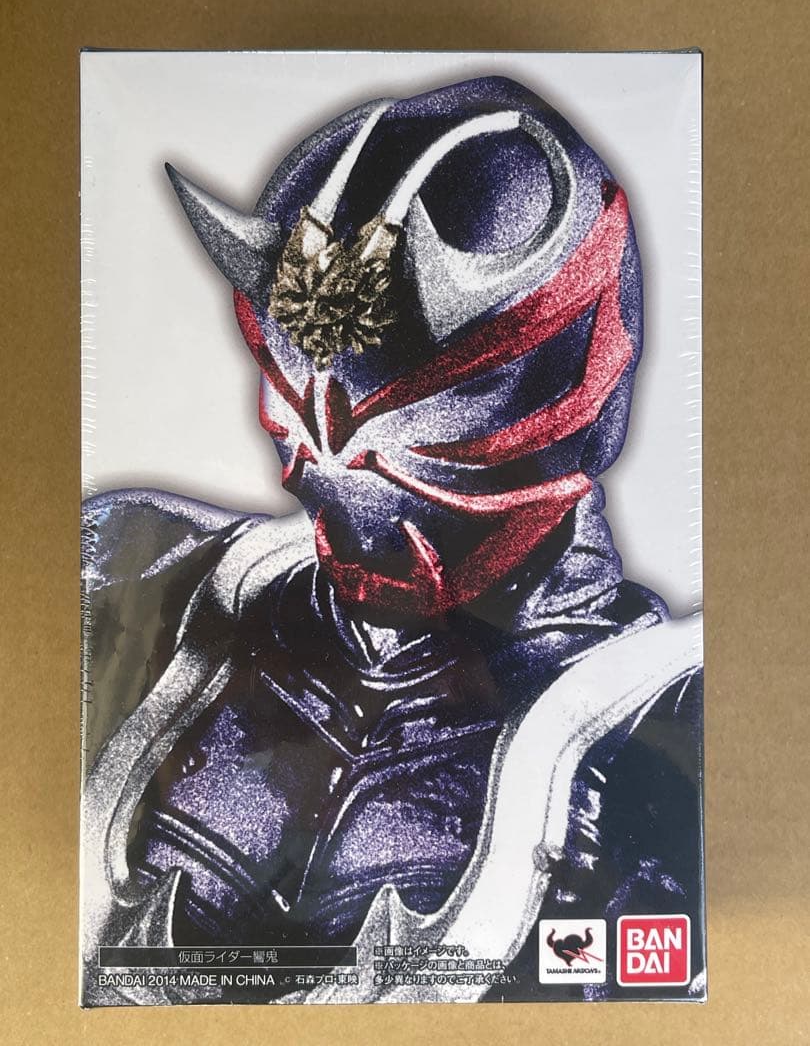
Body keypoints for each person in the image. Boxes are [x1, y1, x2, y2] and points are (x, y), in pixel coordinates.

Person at [81, 76, 703, 1005]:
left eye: (416, 435)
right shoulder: (134, 573)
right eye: (300, 417)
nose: (328, 469)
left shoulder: (675, 731)